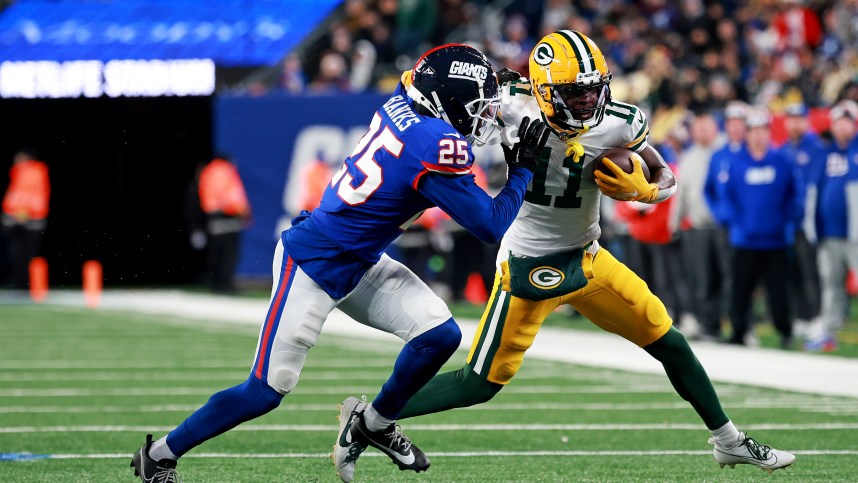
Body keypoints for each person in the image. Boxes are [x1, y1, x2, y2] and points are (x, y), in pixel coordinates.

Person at [130, 43, 549, 483]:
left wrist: (507, 88)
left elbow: (444, 90)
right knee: (265, 391)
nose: (481, 118)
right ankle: (159, 454)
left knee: (439, 336)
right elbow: (489, 226)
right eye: (475, 108)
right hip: (312, 264)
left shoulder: (403, 103)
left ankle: (373, 422)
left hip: (361, 261)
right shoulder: (433, 144)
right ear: (444, 101)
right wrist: (522, 168)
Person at [396, 30, 795, 473]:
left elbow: (666, 175)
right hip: (526, 263)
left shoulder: (621, 120)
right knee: (479, 383)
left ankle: (728, 440)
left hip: (587, 257)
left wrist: (646, 191)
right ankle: (373, 416)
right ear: (544, 90)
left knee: (670, 342)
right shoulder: (508, 101)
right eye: (574, 91)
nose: (587, 100)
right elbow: (430, 98)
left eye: (593, 88)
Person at [721, 108, 803, 348]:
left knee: (778, 290)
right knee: (740, 290)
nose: (758, 136)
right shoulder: (736, 164)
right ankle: (739, 331)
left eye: (763, 131)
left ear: (769, 133)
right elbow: (726, 196)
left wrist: (788, 219)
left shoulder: (782, 161)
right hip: (745, 239)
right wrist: (735, 220)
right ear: (747, 134)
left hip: (775, 239)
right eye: (754, 131)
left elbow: (795, 194)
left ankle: (785, 330)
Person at [804, 100, 858, 351]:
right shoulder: (825, 154)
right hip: (830, 233)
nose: (842, 127)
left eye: (846, 121)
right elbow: (814, 191)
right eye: (838, 122)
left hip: (854, 234)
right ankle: (828, 332)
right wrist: (812, 225)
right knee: (831, 285)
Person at [673, 113, 729, 340]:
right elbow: (681, 194)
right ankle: (706, 323)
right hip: (696, 226)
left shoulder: (725, 151)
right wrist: (674, 222)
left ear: (715, 128)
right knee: (702, 278)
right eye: (698, 128)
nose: (702, 132)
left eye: (706, 127)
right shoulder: (688, 155)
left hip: (722, 226)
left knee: (725, 277)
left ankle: (726, 321)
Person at [777, 102, 825, 340]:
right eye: (791, 118)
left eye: (799, 118)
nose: (794, 123)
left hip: (809, 222)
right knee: (792, 273)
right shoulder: (783, 149)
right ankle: (802, 317)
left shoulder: (817, 148)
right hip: (788, 223)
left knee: (810, 272)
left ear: (806, 121)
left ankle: (817, 316)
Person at [197, 156, 251, 293]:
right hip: (229, 218)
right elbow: (233, 196)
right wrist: (244, 211)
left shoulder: (208, 171)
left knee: (216, 253)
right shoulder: (226, 171)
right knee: (229, 254)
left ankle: (216, 283)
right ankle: (226, 284)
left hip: (212, 218)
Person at [1, 149, 49, 290]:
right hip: (28, 217)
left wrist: (22, 215)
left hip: (25, 218)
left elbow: (26, 194)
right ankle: (22, 282)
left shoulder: (28, 171)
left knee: (22, 253)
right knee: (23, 252)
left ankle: (22, 283)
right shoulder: (29, 171)